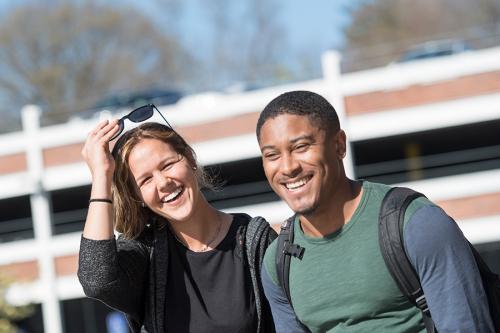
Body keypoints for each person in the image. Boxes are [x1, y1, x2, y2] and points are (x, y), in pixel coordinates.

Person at [255, 91, 495, 332]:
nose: (288, 167)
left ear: (339, 145)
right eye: (272, 155)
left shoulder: (417, 224)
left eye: (301, 147)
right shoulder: (278, 262)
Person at [78, 104, 276, 333]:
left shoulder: (255, 241)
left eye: (168, 165)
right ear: (138, 197)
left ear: (190, 159)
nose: (163, 183)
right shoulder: (145, 253)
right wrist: (102, 174)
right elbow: (96, 280)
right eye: (145, 180)